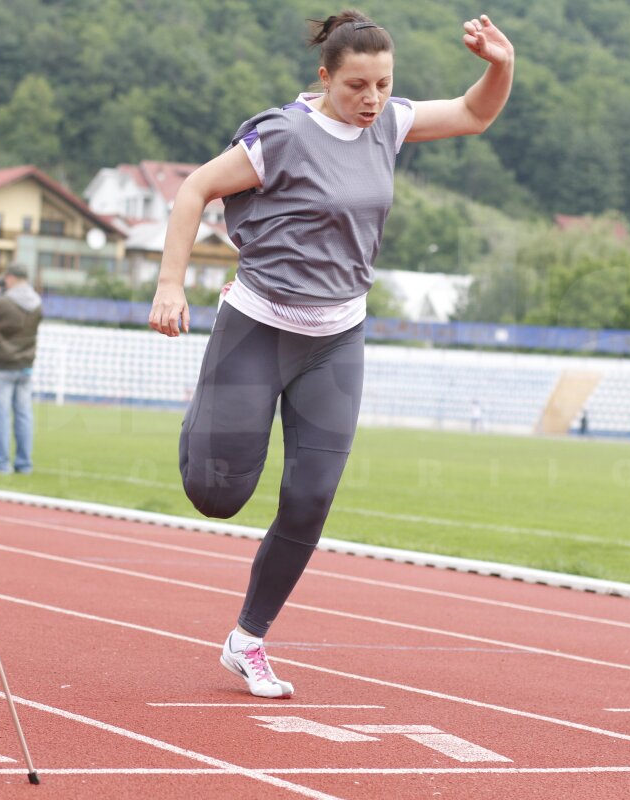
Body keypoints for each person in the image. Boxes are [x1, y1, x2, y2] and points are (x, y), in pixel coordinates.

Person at [148, 10, 513, 698]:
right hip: (258, 327)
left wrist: (501, 64)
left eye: (383, 84)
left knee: (312, 496)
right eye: (356, 86)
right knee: (215, 495)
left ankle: (248, 639)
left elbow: (473, 113)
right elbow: (194, 188)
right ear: (325, 78)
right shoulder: (282, 134)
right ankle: (210, 420)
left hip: (336, 338)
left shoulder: (391, 125)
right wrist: (171, 285)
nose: (371, 99)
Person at [0, 264, 43, 475]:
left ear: (11, 278)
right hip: (25, 365)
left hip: (2, 365)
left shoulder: (3, 302)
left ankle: (0, 464)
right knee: (24, 415)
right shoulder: (37, 304)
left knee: (1, 416)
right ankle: (24, 464)